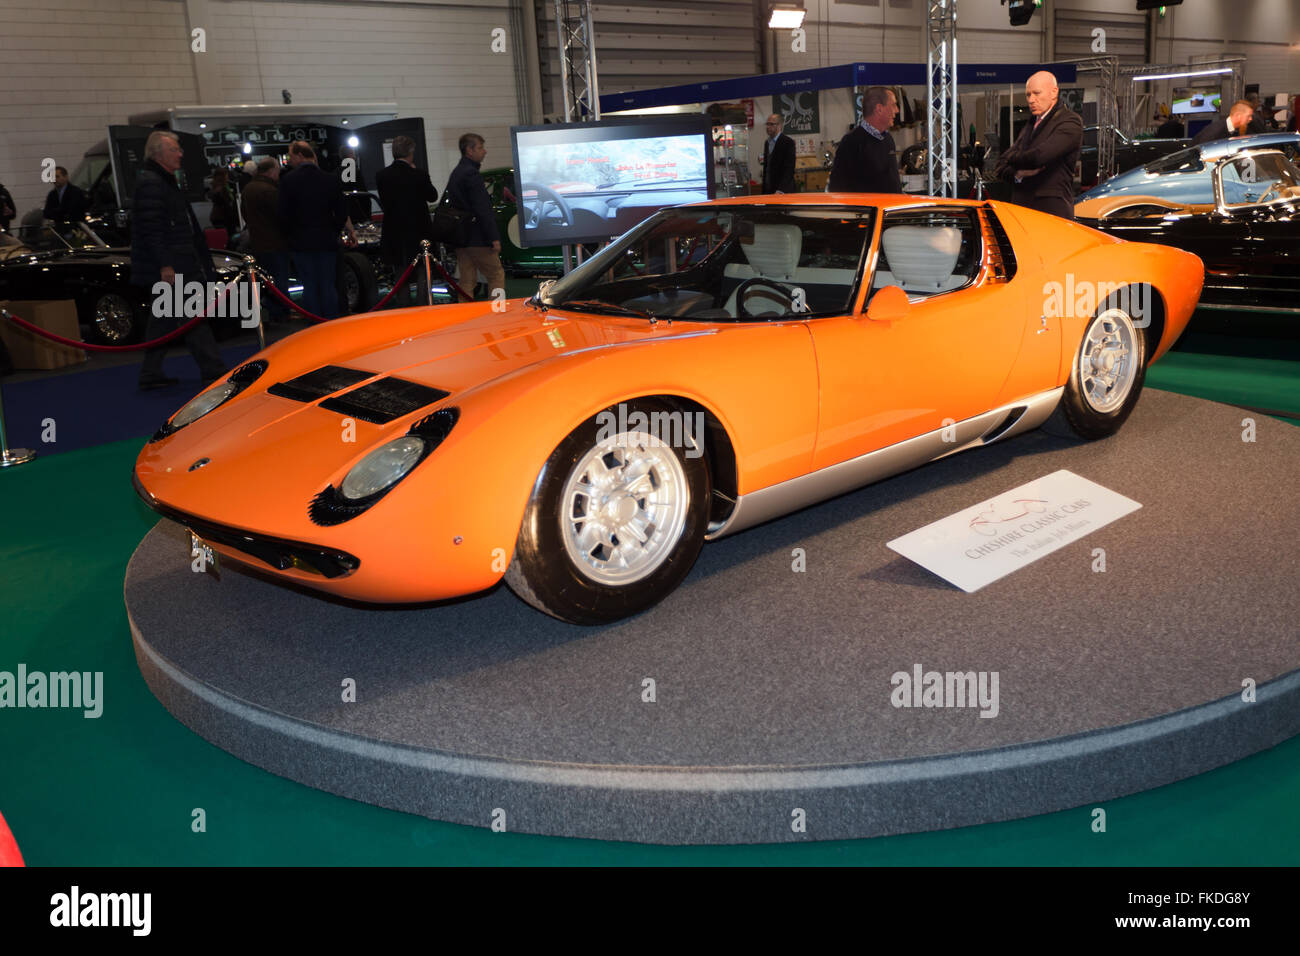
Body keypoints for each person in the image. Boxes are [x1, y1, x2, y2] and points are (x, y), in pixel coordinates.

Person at [131, 130, 227, 391]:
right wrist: (165, 264)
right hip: (173, 263)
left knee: (164, 319)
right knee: (192, 317)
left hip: (176, 260)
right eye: (174, 149)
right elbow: (152, 229)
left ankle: (150, 372)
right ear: (158, 154)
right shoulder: (153, 183)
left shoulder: (162, 181)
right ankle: (213, 370)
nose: (180, 154)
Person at [993, 70, 1083, 220]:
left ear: (1054, 92)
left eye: (1036, 93)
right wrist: (1018, 174)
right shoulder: (1031, 124)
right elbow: (1000, 165)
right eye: (1028, 95)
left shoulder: (1069, 121)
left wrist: (1011, 158)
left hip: (1051, 213)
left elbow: (1038, 157)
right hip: (1022, 212)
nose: (1031, 100)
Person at [278, 140, 348, 319]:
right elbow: (341, 213)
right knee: (328, 285)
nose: (289, 160)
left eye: (291, 156)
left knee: (309, 285)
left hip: (301, 242)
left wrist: (291, 235)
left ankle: (314, 324)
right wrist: (333, 231)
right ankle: (331, 322)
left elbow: (283, 215)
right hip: (326, 241)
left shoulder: (288, 180)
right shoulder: (330, 179)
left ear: (300, 155)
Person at [375, 134, 438, 306]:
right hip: (419, 231)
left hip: (395, 232)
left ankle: (404, 309)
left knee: (401, 274)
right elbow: (432, 196)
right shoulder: (419, 175)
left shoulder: (382, 176)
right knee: (423, 272)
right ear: (411, 152)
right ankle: (423, 307)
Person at [445, 132, 504, 303]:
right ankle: (498, 311)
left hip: (462, 238)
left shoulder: (457, 172)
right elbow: (482, 209)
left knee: (467, 280)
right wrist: (493, 237)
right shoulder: (472, 175)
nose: (484, 151)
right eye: (480, 147)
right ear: (469, 150)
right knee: (496, 274)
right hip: (477, 237)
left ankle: (466, 314)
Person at [240, 157, 290, 319]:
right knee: (279, 279)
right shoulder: (271, 190)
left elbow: (244, 213)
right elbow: (281, 215)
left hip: (257, 241)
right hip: (276, 242)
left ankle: (271, 311)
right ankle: (281, 312)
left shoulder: (248, 188)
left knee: (266, 280)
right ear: (271, 171)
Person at [827, 87, 902, 193]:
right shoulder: (851, 142)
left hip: (891, 203)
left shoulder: (887, 139)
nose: (897, 110)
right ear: (879, 109)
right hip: (867, 204)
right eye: (893, 105)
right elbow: (837, 188)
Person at [760, 113, 797, 194]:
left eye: (771, 124)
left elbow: (789, 168)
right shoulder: (767, 143)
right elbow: (766, 167)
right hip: (769, 189)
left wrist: (781, 189)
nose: (768, 127)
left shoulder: (788, 142)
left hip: (783, 191)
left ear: (779, 126)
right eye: (767, 124)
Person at [207, 168, 238, 236]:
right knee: (229, 235)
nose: (227, 177)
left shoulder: (217, 186)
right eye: (226, 175)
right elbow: (226, 202)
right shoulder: (222, 188)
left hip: (218, 216)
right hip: (223, 217)